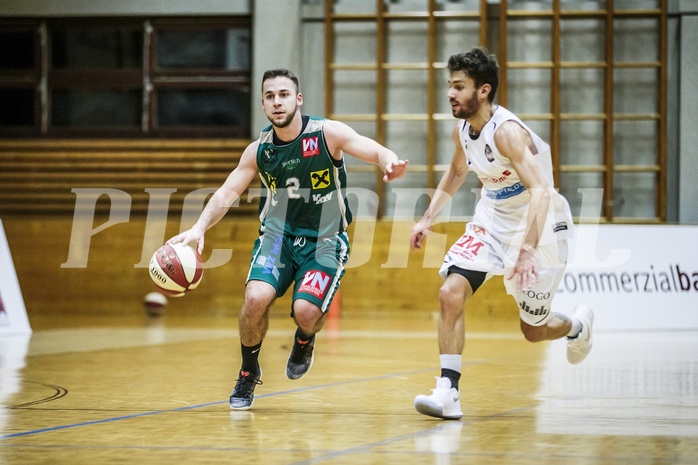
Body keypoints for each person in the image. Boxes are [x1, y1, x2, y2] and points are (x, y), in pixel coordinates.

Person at [167, 68, 408, 410]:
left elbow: (371, 149)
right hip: (278, 237)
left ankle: (305, 338)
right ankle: (248, 372)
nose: (277, 102)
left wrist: (389, 161)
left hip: (325, 239)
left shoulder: (327, 134)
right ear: (263, 105)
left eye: (283, 94)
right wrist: (199, 228)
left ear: (298, 99)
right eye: (269, 96)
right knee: (254, 299)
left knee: (306, 311)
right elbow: (227, 192)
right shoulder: (259, 150)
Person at [410, 48, 593, 420]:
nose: (450, 93)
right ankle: (448, 390)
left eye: (459, 87)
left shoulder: (507, 133)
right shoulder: (463, 129)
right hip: (491, 221)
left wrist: (526, 250)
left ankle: (577, 326)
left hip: (540, 229)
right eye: (450, 85)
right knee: (450, 292)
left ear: (483, 90)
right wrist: (427, 217)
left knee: (533, 330)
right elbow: (458, 171)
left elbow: (541, 192)